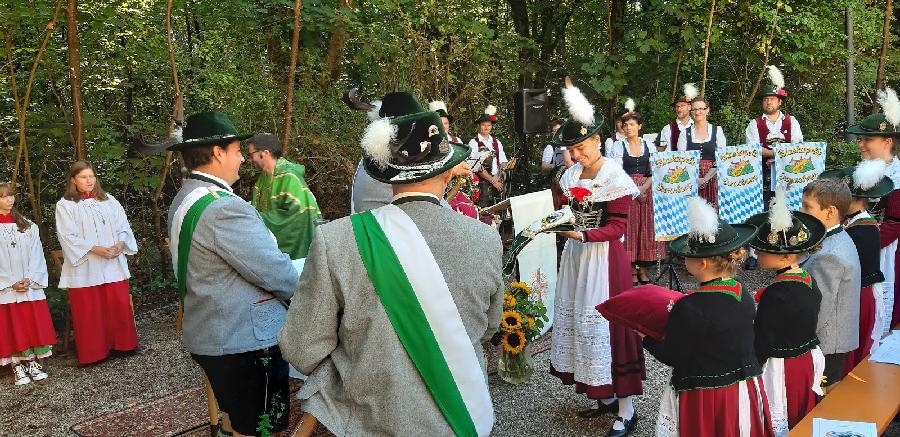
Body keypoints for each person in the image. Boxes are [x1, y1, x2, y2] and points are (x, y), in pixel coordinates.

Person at [279, 93, 503, 436]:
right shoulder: (485, 238)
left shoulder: (336, 240)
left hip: (373, 421)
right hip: (462, 417)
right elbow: (487, 328)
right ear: (447, 173)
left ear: (386, 175)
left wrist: (357, 360)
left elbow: (301, 348)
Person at [167, 112, 300, 437]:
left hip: (213, 334)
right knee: (258, 429)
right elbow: (275, 273)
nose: (242, 158)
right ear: (217, 153)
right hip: (244, 343)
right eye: (237, 150)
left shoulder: (185, 196)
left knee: (234, 420)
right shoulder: (224, 208)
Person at [550, 80, 644, 437]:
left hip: (604, 260)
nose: (576, 155)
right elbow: (567, 210)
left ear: (597, 140)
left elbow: (618, 227)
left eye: (580, 147)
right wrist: (557, 222)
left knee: (610, 326)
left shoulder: (614, 176)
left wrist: (583, 235)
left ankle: (627, 410)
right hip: (577, 257)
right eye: (571, 149)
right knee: (581, 321)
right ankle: (604, 395)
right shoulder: (572, 174)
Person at [643, 196, 774, 437]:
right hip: (742, 388)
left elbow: (673, 355)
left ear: (702, 263)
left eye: (686, 255)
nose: (684, 259)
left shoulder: (690, 306)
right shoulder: (741, 293)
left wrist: (644, 337)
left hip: (704, 394)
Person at [747, 189, 826, 434]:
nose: (757, 254)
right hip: (805, 361)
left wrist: (748, 367)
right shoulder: (807, 278)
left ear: (786, 256)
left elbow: (763, 342)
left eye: (763, 251)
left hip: (782, 368)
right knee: (800, 412)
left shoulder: (778, 293)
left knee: (780, 413)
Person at [55, 161, 139, 365]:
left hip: (112, 262)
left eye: (91, 176)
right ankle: (94, 352)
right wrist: (94, 248)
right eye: (83, 177)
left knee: (117, 303)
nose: (89, 180)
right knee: (90, 309)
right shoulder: (65, 205)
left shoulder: (109, 200)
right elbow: (67, 236)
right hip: (87, 266)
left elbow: (123, 226)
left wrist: (120, 244)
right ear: (73, 180)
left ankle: (123, 345)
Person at [820, 160, 894, 372]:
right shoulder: (854, 223)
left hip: (857, 298)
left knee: (849, 353)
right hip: (855, 294)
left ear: (854, 199)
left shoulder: (863, 230)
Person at [800, 178, 860, 391]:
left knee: (821, 398)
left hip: (825, 345)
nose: (801, 212)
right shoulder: (836, 238)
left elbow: (818, 308)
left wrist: (796, 343)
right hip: (832, 341)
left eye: (807, 207)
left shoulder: (829, 255)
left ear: (830, 212)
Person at [848, 88, 900, 330]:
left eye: (867, 139)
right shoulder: (861, 170)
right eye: (860, 139)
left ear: (887, 141)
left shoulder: (897, 177)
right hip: (859, 243)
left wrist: (863, 244)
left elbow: (895, 224)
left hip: (886, 252)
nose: (860, 144)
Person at [744, 66, 804, 270]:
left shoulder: (791, 122)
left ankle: (785, 248)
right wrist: (777, 154)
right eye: (765, 99)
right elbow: (753, 149)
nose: (768, 102)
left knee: (785, 209)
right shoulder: (754, 124)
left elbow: (797, 147)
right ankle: (754, 253)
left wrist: (775, 156)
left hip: (786, 175)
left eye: (772, 99)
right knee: (759, 210)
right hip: (761, 175)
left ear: (779, 102)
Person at [0, 183, 54, 385]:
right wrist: (9, 282)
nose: (9, 199)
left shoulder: (28, 226)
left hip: (28, 286)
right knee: (12, 325)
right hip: (6, 289)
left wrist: (29, 279)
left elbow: (37, 255)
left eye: (11, 195)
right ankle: (17, 366)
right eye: (3, 196)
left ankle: (32, 362)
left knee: (31, 323)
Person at [246, 133, 321, 260]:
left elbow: (298, 216)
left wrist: (256, 218)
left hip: (299, 256)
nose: (250, 159)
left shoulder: (289, 177)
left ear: (264, 153)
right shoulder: (262, 180)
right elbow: (256, 207)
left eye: (251, 154)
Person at [607, 112, 661, 285]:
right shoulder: (618, 146)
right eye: (625, 125)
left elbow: (654, 170)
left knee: (645, 230)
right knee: (630, 231)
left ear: (639, 126)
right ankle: (631, 270)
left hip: (647, 190)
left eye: (632, 124)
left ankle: (642, 269)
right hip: (626, 191)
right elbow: (617, 173)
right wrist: (635, 192)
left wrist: (643, 189)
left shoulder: (649, 145)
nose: (628, 128)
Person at [431, 100, 480, 219]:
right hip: (440, 183)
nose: (444, 126)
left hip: (457, 182)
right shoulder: (431, 142)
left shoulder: (457, 140)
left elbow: (464, 160)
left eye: (446, 123)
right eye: (440, 123)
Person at [677, 96, 727, 209]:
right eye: (694, 109)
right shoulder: (685, 133)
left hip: (713, 177)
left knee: (712, 212)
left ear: (707, 110)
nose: (697, 112)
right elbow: (681, 160)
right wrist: (696, 179)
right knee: (693, 212)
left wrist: (706, 178)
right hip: (690, 179)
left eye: (701, 109)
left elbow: (721, 157)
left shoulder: (717, 130)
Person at [468, 105, 508, 207]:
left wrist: (498, 176)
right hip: (482, 183)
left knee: (499, 208)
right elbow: (476, 166)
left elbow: (503, 162)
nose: (486, 127)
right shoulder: (473, 143)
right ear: (478, 126)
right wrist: (492, 180)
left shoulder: (497, 142)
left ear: (491, 126)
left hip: (498, 179)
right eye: (483, 125)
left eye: (489, 125)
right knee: (484, 210)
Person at [658, 83, 697, 152]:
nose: (679, 109)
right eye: (677, 106)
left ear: (689, 107)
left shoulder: (697, 126)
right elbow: (664, 153)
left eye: (682, 106)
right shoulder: (667, 129)